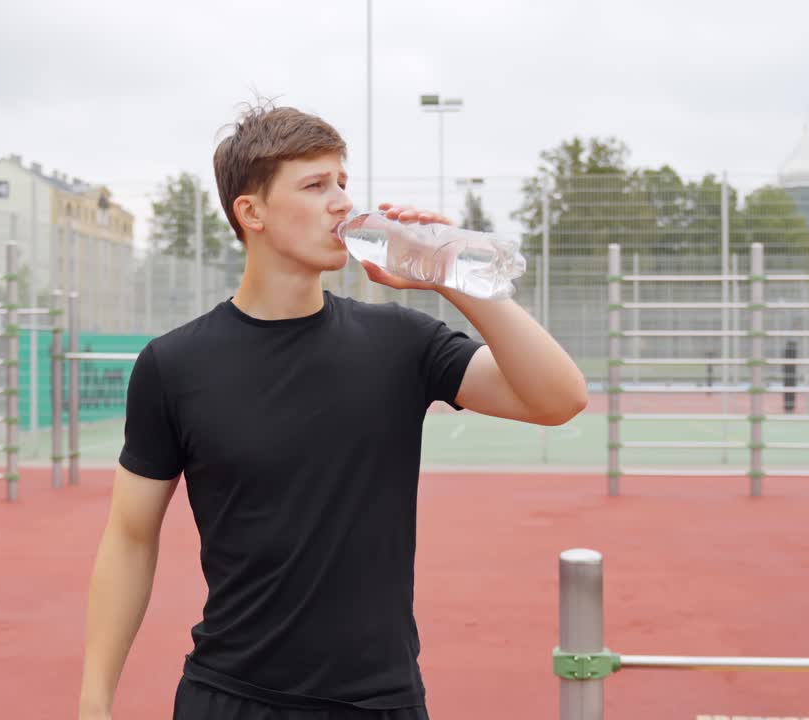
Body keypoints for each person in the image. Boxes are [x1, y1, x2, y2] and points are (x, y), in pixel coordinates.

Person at [78, 103, 587, 720]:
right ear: (252, 212)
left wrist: (451, 274)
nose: (342, 201)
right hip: (231, 699)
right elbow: (131, 537)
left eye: (343, 181)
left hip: (379, 702)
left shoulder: (402, 343)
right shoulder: (174, 365)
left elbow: (560, 398)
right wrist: (95, 700)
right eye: (316, 185)